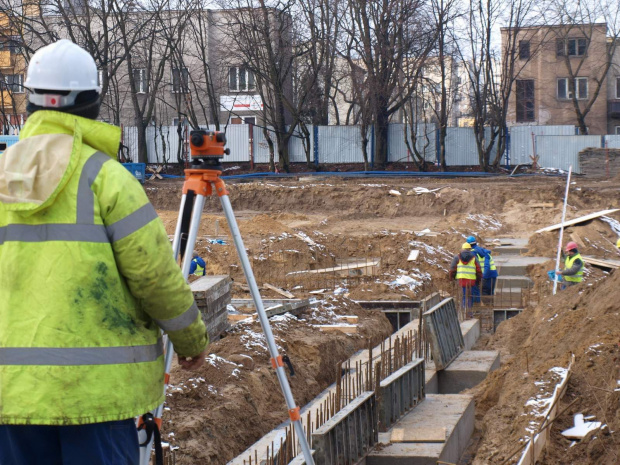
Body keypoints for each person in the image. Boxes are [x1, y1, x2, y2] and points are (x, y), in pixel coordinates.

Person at [0, 40, 208, 465]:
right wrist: (190, 339)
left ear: (33, 102)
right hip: (96, 399)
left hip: (11, 396)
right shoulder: (107, 180)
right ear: (92, 103)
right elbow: (153, 275)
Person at [449, 243, 482, 316]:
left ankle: (464, 310)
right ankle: (469, 311)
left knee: (463, 295)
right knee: (470, 295)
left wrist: (452, 278)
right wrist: (478, 280)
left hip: (461, 280)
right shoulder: (474, 258)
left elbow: (452, 269)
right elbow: (479, 270)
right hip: (471, 280)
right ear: (470, 249)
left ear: (462, 249)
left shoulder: (457, 257)